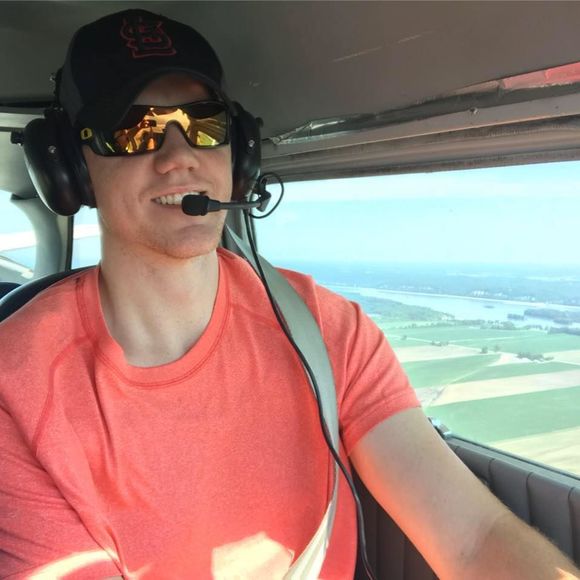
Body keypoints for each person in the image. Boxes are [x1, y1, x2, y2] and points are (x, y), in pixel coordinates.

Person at [0, 8, 578, 580]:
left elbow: (473, 539)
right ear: (69, 166)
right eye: (135, 130)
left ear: (240, 151)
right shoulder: (16, 385)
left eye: (205, 124)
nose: (179, 157)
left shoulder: (326, 330)